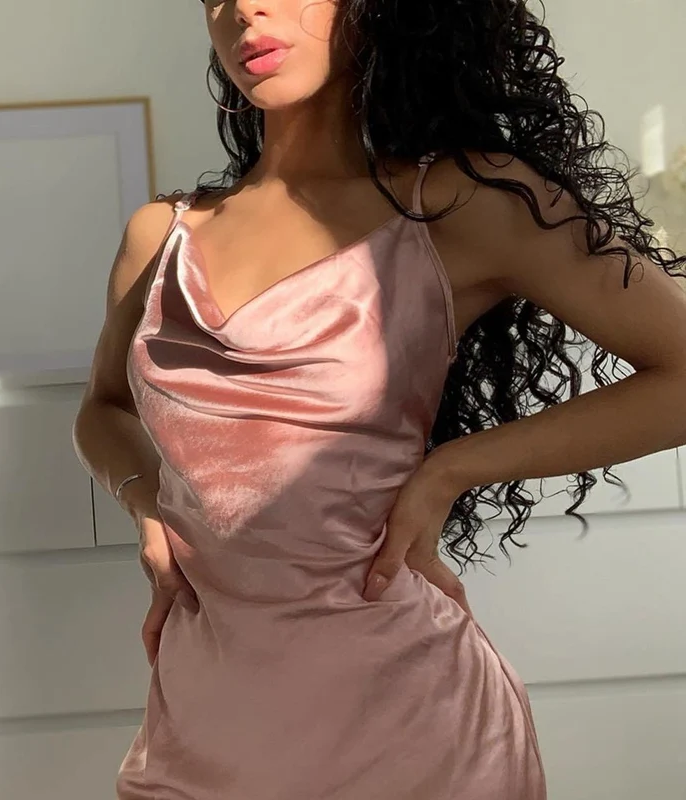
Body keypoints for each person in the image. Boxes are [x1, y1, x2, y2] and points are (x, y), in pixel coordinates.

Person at [72, 1, 686, 797]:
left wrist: (451, 469)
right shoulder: (161, 236)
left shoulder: (463, 202)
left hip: (413, 730)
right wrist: (148, 504)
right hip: (200, 729)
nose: (246, 8)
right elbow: (104, 409)